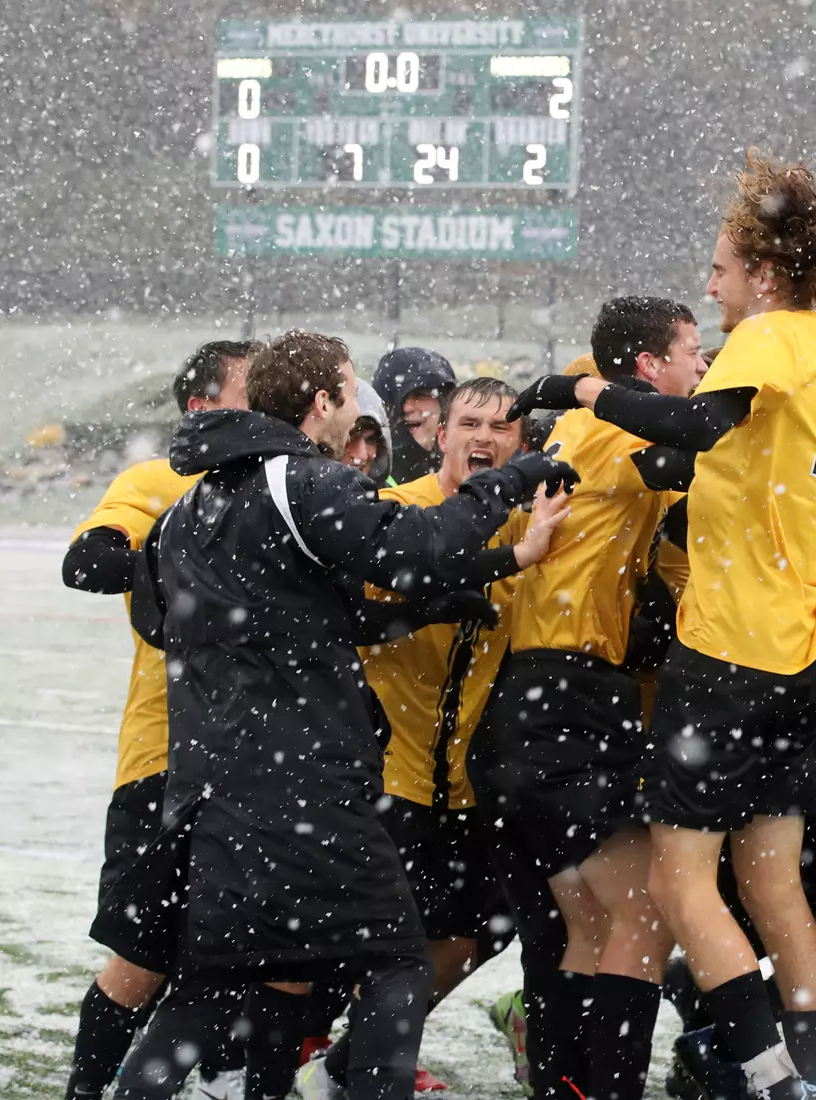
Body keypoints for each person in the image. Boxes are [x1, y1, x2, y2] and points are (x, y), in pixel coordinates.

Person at [103, 330, 576, 1100]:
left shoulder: (192, 501)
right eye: (351, 394)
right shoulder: (303, 480)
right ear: (321, 403)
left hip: (213, 793)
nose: (357, 410)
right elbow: (416, 545)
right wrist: (514, 478)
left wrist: (429, 600)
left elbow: (182, 620)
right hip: (302, 789)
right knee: (397, 965)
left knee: (213, 987)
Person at [507, 152, 816, 1100]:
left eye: (720, 270)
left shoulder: (774, 334)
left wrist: (578, 389)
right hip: (807, 643)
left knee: (675, 885)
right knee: (773, 885)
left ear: (768, 272)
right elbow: (728, 458)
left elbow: (697, 425)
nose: (712, 290)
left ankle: (773, 1080)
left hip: (733, 646)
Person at [297, 376, 571, 1099]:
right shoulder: (396, 512)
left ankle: (346, 1061)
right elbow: (400, 587)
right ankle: (269, 1058)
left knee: (478, 932)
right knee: (356, 944)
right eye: (469, 423)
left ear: (522, 445)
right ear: (439, 435)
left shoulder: (534, 521)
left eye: (502, 428)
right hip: (384, 771)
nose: (484, 437)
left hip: (472, 779)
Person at [472, 296, 704, 1100]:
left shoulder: (594, 422)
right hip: (564, 696)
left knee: (589, 923)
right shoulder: (618, 428)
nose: (701, 370)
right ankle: (602, 1090)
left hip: (551, 696)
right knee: (641, 915)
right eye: (691, 353)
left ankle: (568, 1086)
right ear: (648, 367)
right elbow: (706, 451)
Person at [61, 340, 259, 1100]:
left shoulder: (283, 484)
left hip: (261, 768)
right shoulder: (159, 479)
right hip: (166, 763)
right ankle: (88, 1089)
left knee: (240, 962)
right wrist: (194, 577)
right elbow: (87, 562)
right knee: (141, 964)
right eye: (253, 388)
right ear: (202, 406)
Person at [374, 346, 457, 484]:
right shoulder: (371, 477)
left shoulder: (465, 470)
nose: (407, 407)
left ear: (444, 404)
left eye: (420, 395)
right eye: (394, 400)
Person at [342, 381, 392, 484]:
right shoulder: (303, 496)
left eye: (371, 439)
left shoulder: (389, 496)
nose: (362, 455)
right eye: (350, 438)